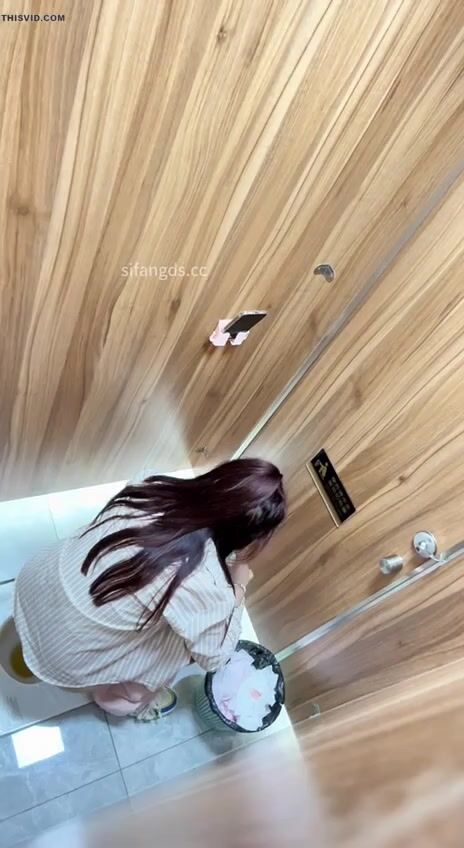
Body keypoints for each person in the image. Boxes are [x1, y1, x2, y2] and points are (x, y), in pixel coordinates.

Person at [14, 458, 286, 720]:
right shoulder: (207, 586)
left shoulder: (151, 483)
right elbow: (214, 658)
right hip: (60, 657)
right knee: (179, 650)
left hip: (34, 582)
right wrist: (238, 588)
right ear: (248, 536)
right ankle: (123, 700)